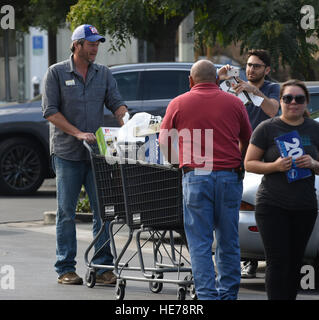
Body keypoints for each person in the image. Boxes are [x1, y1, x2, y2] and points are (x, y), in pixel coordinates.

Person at [42, 24, 128, 285]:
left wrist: (129, 122)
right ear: (76, 45)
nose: (95, 48)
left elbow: (116, 102)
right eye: (90, 43)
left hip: (97, 154)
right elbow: (50, 111)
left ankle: (102, 268)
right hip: (67, 153)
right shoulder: (56, 73)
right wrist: (78, 133)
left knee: (104, 211)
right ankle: (65, 268)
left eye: (97, 43)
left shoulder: (103, 73)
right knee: (66, 212)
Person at [159, 59, 252, 300]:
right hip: (229, 176)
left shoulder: (178, 103)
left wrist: (176, 162)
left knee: (200, 242)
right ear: (216, 79)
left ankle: (207, 296)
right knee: (228, 240)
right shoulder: (234, 103)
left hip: (196, 176)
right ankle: (228, 294)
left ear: (191, 81)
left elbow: (164, 141)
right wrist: (237, 160)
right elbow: (247, 138)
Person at [244, 79, 319, 300]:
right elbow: (249, 163)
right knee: (277, 261)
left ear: (306, 103)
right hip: (272, 205)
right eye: (288, 98)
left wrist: (314, 165)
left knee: (295, 261)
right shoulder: (267, 128)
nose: (293, 103)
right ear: (280, 101)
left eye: (299, 99)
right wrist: (274, 166)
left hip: (304, 206)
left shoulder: (315, 129)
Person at [218, 49, 280, 278]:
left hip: (265, 156)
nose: (251, 69)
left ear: (267, 70)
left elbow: (273, 110)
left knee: (263, 208)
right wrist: (220, 77)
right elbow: (211, 96)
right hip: (239, 153)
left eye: (256, 66)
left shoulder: (273, 89)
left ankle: (268, 257)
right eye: (248, 65)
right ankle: (248, 260)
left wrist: (254, 91)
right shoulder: (235, 85)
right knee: (239, 207)